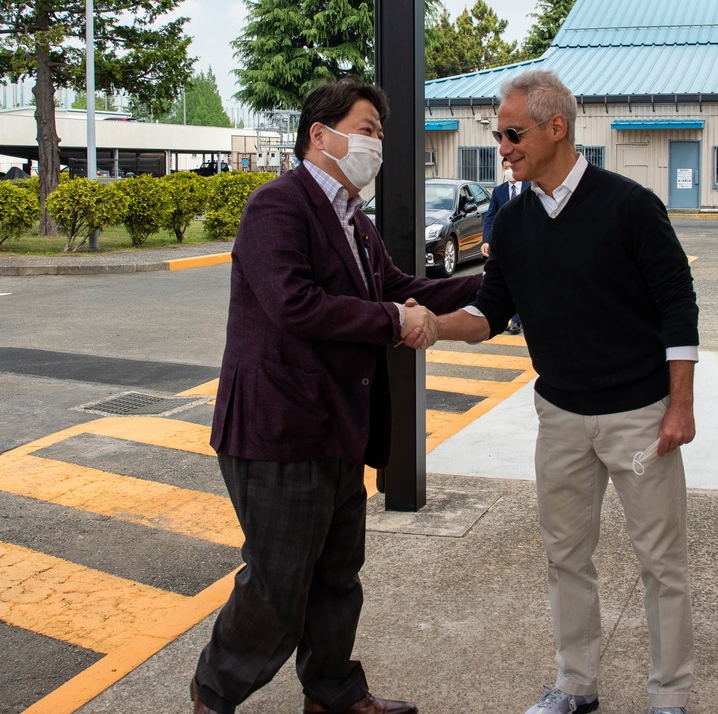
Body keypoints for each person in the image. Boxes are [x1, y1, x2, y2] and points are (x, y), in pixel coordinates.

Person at [191, 78, 483, 714]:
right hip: (279, 431)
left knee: (335, 576)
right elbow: (295, 304)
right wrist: (392, 322)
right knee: (278, 584)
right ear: (320, 136)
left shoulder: (353, 219)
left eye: (379, 132)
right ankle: (213, 694)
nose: (376, 143)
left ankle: (332, 694)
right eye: (367, 129)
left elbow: (401, 286)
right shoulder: (278, 206)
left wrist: (492, 288)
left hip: (335, 427)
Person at [425, 69, 699, 714]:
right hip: (561, 418)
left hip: (639, 417)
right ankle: (576, 686)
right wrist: (433, 325)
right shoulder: (513, 222)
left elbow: (677, 304)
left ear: (557, 128)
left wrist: (680, 405)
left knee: (661, 563)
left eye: (513, 133)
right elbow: (491, 312)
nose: (504, 146)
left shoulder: (629, 206)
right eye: (498, 135)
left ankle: (670, 696)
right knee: (564, 557)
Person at [481, 158, 528, 334]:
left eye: (510, 167)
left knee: (522, 280)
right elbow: (490, 217)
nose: (508, 170)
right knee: (508, 280)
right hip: (505, 245)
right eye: (505, 167)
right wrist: (486, 240)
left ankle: (517, 320)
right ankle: (511, 316)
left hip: (526, 244)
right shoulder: (498, 191)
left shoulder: (531, 187)